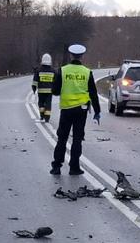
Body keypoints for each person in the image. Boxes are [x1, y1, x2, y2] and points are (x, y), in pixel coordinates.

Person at [49, 44, 100, 175]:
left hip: (66, 109)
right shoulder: (87, 72)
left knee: (62, 138)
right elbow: (93, 93)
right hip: (81, 110)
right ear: (82, 56)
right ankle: (74, 167)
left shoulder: (62, 70)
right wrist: (97, 111)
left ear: (71, 56)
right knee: (77, 138)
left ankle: (57, 166)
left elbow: (54, 91)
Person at [32, 53, 57, 122]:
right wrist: (56, 90)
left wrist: (34, 89)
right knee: (48, 104)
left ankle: (42, 115)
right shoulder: (53, 71)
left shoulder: (38, 70)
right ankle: (47, 117)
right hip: (49, 92)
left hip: (41, 91)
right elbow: (56, 81)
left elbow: (35, 81)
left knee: (41, 104)